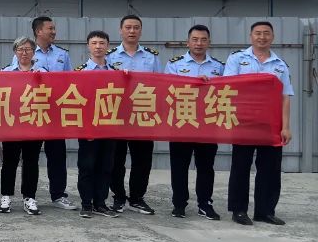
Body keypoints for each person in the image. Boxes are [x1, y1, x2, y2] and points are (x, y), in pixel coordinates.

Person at [223, 21, 293, 226]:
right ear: (251, 36)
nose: (262, 37)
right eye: (258, 33)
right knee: (241, 166)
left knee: (270, 168)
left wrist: (286, 126)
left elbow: (285, 97)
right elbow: (227, 87)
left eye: (266, 33)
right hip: (243, 121)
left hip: (271, 124)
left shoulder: (280, 64)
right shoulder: (237, 59)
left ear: (272, 37)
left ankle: (265, 211)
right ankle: (239, 210)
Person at [9, 17, 76, 210]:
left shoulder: (62, 54)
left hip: (55, 111)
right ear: (39, 31)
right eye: (50, 28)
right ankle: (29, 196)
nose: (54, 32)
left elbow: (71, 81)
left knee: (57, 154)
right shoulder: (25, 52)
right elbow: (15, 80)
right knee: (30, 156)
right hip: (32, 112)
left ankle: (58, 195)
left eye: (54, 28)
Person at [166, 25, 224, 219]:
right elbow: (167, 90)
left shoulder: (218, 67)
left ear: (209, 42)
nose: (199, 43)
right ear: (188, 42)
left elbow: (226, 92)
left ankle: (205, 204)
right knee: (179, 166)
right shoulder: (174, 64)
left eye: (203, 40)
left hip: (208, 123)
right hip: (182, 121)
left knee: (206, 167)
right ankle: (179, 204)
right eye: (195, 39)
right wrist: (193, 83)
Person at [108, 14, 161, 214]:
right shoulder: (111, 56)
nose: (132, 31)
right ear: (120, 30)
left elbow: (160, 85)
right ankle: (118, 196)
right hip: (118, 114)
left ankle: (137, 197)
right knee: (116, 159)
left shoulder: (151, 56)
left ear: (140, 31)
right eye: (128, 27)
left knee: (142, 159)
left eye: (136, 27)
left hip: (143, 114)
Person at [75, 31, 121, 219]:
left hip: (109, 125)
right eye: (94, 43)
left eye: (102, 43)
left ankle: (100, 203)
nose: (98, 46)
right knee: (87, 166)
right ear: (88, 46)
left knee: (106, 166)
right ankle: (86, 203)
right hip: (88, 126)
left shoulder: (116, 72)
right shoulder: (80, 72)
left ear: (108, 46)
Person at [0, 36, 45, 215]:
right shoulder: (6, 71)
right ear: (15, 52)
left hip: (34, 122)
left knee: (31, 161)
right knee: (9, 161)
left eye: (27, 49)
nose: (24, 53)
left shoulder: (43, 72)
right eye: (20, 49)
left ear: (34, 52)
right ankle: (6, 196)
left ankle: (29, 197)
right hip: (12, 122)